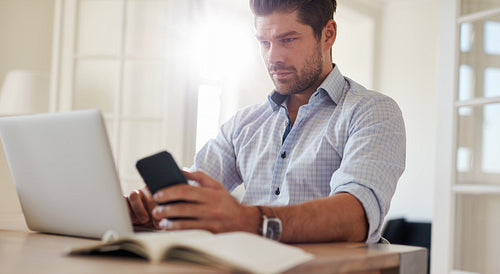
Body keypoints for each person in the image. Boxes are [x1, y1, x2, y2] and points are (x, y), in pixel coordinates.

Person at [126, 0, 405, 244]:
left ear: (328, 35)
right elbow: (194, 190)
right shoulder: (243, 125)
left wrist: (249, 220)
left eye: (288, 39)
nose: (273, 57)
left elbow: (357, 217)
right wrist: (155, 207)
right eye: (264, 42)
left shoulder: (372, 111)